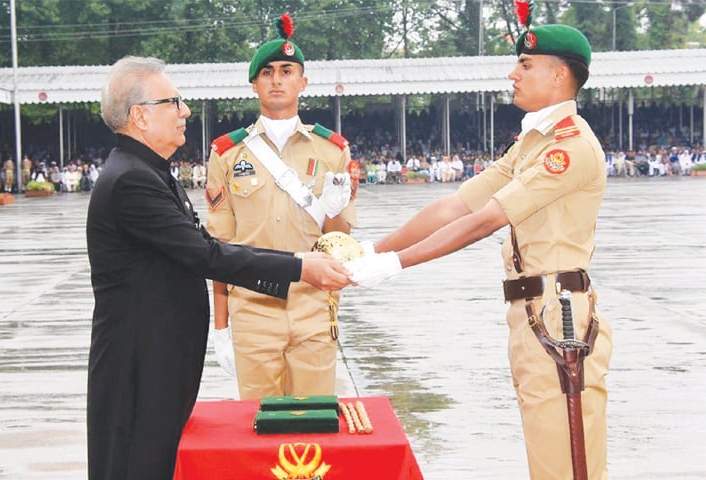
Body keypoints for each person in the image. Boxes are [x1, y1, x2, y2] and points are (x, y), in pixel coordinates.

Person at [346, 22, 612, 480]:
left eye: (525, 64)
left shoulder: (568, 149)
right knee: (547, 453)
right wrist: (371, 250)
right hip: (534, 311)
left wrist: (395, 264)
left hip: (558, 315)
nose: (513, 73)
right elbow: (456, 204)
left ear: (558, 76)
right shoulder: (533, 143)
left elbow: (486, 219)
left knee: (568, 462)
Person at [86, 55, 351, 480]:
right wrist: (299, 266)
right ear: (139, 116)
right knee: (137, 464)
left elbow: (204, 247)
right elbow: (208, 255)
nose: (185, 111)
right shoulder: (132, 180)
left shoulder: (151, 173)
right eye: (173, 102)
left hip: (158, 358)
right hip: (140, 365)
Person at [205, 13, 356, 400]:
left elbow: (339, 243)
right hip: (253, 309)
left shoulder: (332, 151)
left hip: (313, 307)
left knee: (313, 426)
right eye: (267, 72)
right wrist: (220, 327)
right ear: (254, 84)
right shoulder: (226, 153)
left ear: (302, 82)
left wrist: (336, 209)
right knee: (260, 429)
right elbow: (218, 248)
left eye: (287, 70)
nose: (276, 79)